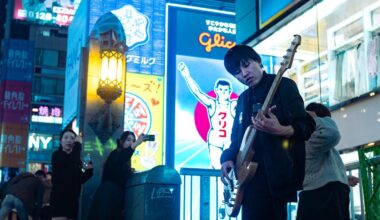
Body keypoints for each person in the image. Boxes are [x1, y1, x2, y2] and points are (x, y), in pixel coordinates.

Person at [220, 45, 315, 220]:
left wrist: (281, 129)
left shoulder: (283, 85)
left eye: (246, 65)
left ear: (258, 60)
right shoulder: (242, 99)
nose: (244, 73)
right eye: (237, 72)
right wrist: (226, 158)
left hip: (273, 177)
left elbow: (306, 126)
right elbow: (236, 138)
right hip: (245, 179)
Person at [296, 102, 356, 220]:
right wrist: (314, 118)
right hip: (322, 195)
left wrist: (342, 178)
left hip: (322, 194)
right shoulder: (310, 140)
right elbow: (333, 133)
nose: (329, 123)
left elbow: (321, 168)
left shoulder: (320, 143)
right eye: (327, 120)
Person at [177, 61, 237, 169]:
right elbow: (197, 92)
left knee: (231, 170)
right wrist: (187, 76)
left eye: (225, 90)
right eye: (220, 89)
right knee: (218, 170)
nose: (223, 92)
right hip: (215, 141)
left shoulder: (234, 104)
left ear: (229, 92)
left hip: (229, 141)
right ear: (216, 90)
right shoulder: (212, 103)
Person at [87, 131, 146, 220]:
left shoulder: (123, 157)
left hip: (114, 197)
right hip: (107, 196)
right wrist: (137, 143)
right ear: (121, 141)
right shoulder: (116, 153)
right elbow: (123, 156)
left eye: (133, 141)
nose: (131, 143)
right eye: (128, 140)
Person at [50, 129, 93, 220]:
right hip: (59, 199)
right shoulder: (57, 155)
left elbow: (79, 180)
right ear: (61, 141)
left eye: (72, 138)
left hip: (73, 200)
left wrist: (89, 171)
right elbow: (68, 163)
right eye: (66, 138)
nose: (69, 140)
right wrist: (77, 146)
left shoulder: (76, 159)